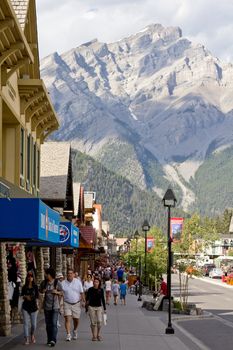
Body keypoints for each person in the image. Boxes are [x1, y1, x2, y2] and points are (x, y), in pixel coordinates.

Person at [60, 268, 85, 341]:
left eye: (71, 273)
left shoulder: (78, 282)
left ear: (74, 274)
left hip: (76, 303)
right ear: (66, 274)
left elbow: (82, 292)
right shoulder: (63, 283)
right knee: (68, 319)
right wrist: (60, 304)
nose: (69, 274)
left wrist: (83, 301)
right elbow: (61, 293)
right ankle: (68, 334)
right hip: (67, 303)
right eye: (68, 273)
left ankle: (75, 330)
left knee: (76, 319)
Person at [40, 268, 62, 347]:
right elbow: (40, 290)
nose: (45, 275)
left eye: (46, 274)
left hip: (55, 306)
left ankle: (53, 340)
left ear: (50, 274)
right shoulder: (44, 282)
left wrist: (57, 292)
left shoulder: (57, 282)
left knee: (53, 323)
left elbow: (62, 292)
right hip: (46, 306)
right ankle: (49, 339)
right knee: (48, 324)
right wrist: (43, 291)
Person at [86, 277, 106, 341]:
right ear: (93, 282)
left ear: (99, 283)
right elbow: (87, 299)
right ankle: (94, 336)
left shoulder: (101, 290)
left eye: (97, 282)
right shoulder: (90, 289)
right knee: (93, 322)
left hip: (99, 307)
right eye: (95, 282)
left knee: (99, 321)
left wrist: (105, 308)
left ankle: (98, 334)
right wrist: (86, 308)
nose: (96, 283)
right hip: (91, 307)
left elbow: (103, 299)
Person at [21, 272, 39, 345]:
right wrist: (25, 297)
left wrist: (38, 304)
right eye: (28, 276)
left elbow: (37, 296)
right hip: (25, 307)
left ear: (33, 278)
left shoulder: (35, 287)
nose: (30, 278)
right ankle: (27, 338)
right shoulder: (24, 287)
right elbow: (22, 296)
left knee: (34, 325)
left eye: (31, 276)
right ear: (27, 278)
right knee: (26, 323)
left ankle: (32, 334)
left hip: (34, 307)